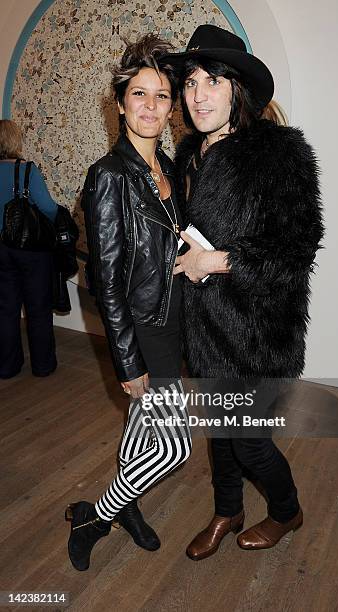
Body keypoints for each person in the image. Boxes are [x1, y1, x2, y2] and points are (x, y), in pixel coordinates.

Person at [164, 25, 324, 560]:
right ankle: (226, 510)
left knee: (249, 441)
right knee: (220, 434)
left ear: (238, 90)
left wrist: (217, 260)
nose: (198, 94)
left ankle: (286, 512)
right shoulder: (187, 157)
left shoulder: (279, 151)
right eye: (190, 82)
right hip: (204, 327)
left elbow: (297, 245)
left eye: (213, 81)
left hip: (257, 331)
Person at [65, 34, 192, 572]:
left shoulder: (165, 167)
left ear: (171, 107)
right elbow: (107, 279)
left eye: (161, 96)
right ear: (119, 103)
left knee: (142, 434)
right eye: (139, 94)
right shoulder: (110, 176)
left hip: (172, 317)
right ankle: (97, 514)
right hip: (143, 329)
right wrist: (128, 361)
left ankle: (128, 506)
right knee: (174, 446)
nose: (150, 107)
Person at [0, 119, 58, 378]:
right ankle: (43, 366)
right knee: (38, 308)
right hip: (30, 249)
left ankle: (7, 366)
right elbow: (49, 208)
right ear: (15, 141)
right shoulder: (28, 170)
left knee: (5, 308)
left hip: (0, 250)